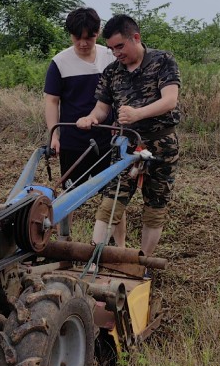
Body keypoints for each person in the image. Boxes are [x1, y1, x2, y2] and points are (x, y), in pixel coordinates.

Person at [76, 14, 180, 259]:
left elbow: (169, 100)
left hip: (160, 145)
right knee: (111, 201)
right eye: (111, 49)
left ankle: (142, 262)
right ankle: (94, 260)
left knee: (155, 206)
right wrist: (92, 118)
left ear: (136, 38)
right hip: (125, 147)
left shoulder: (163, 61)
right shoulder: (112, 72)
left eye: (120, 46)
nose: (116, 53)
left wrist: (137, 114)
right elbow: (102, 108)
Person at [44, 7, 125, 244]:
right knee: (68, 196)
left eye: (88, 37)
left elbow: (121, 94)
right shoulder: (60, 62)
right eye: (77, 37)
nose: (82, 43)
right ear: (70, 35)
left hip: (107, 140)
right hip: (72, 139)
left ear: (98, 33)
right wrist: (54, 134)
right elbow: (51, 100)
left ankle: (118, 250)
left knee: (114, 198)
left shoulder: (110, 57)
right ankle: (64, 245)